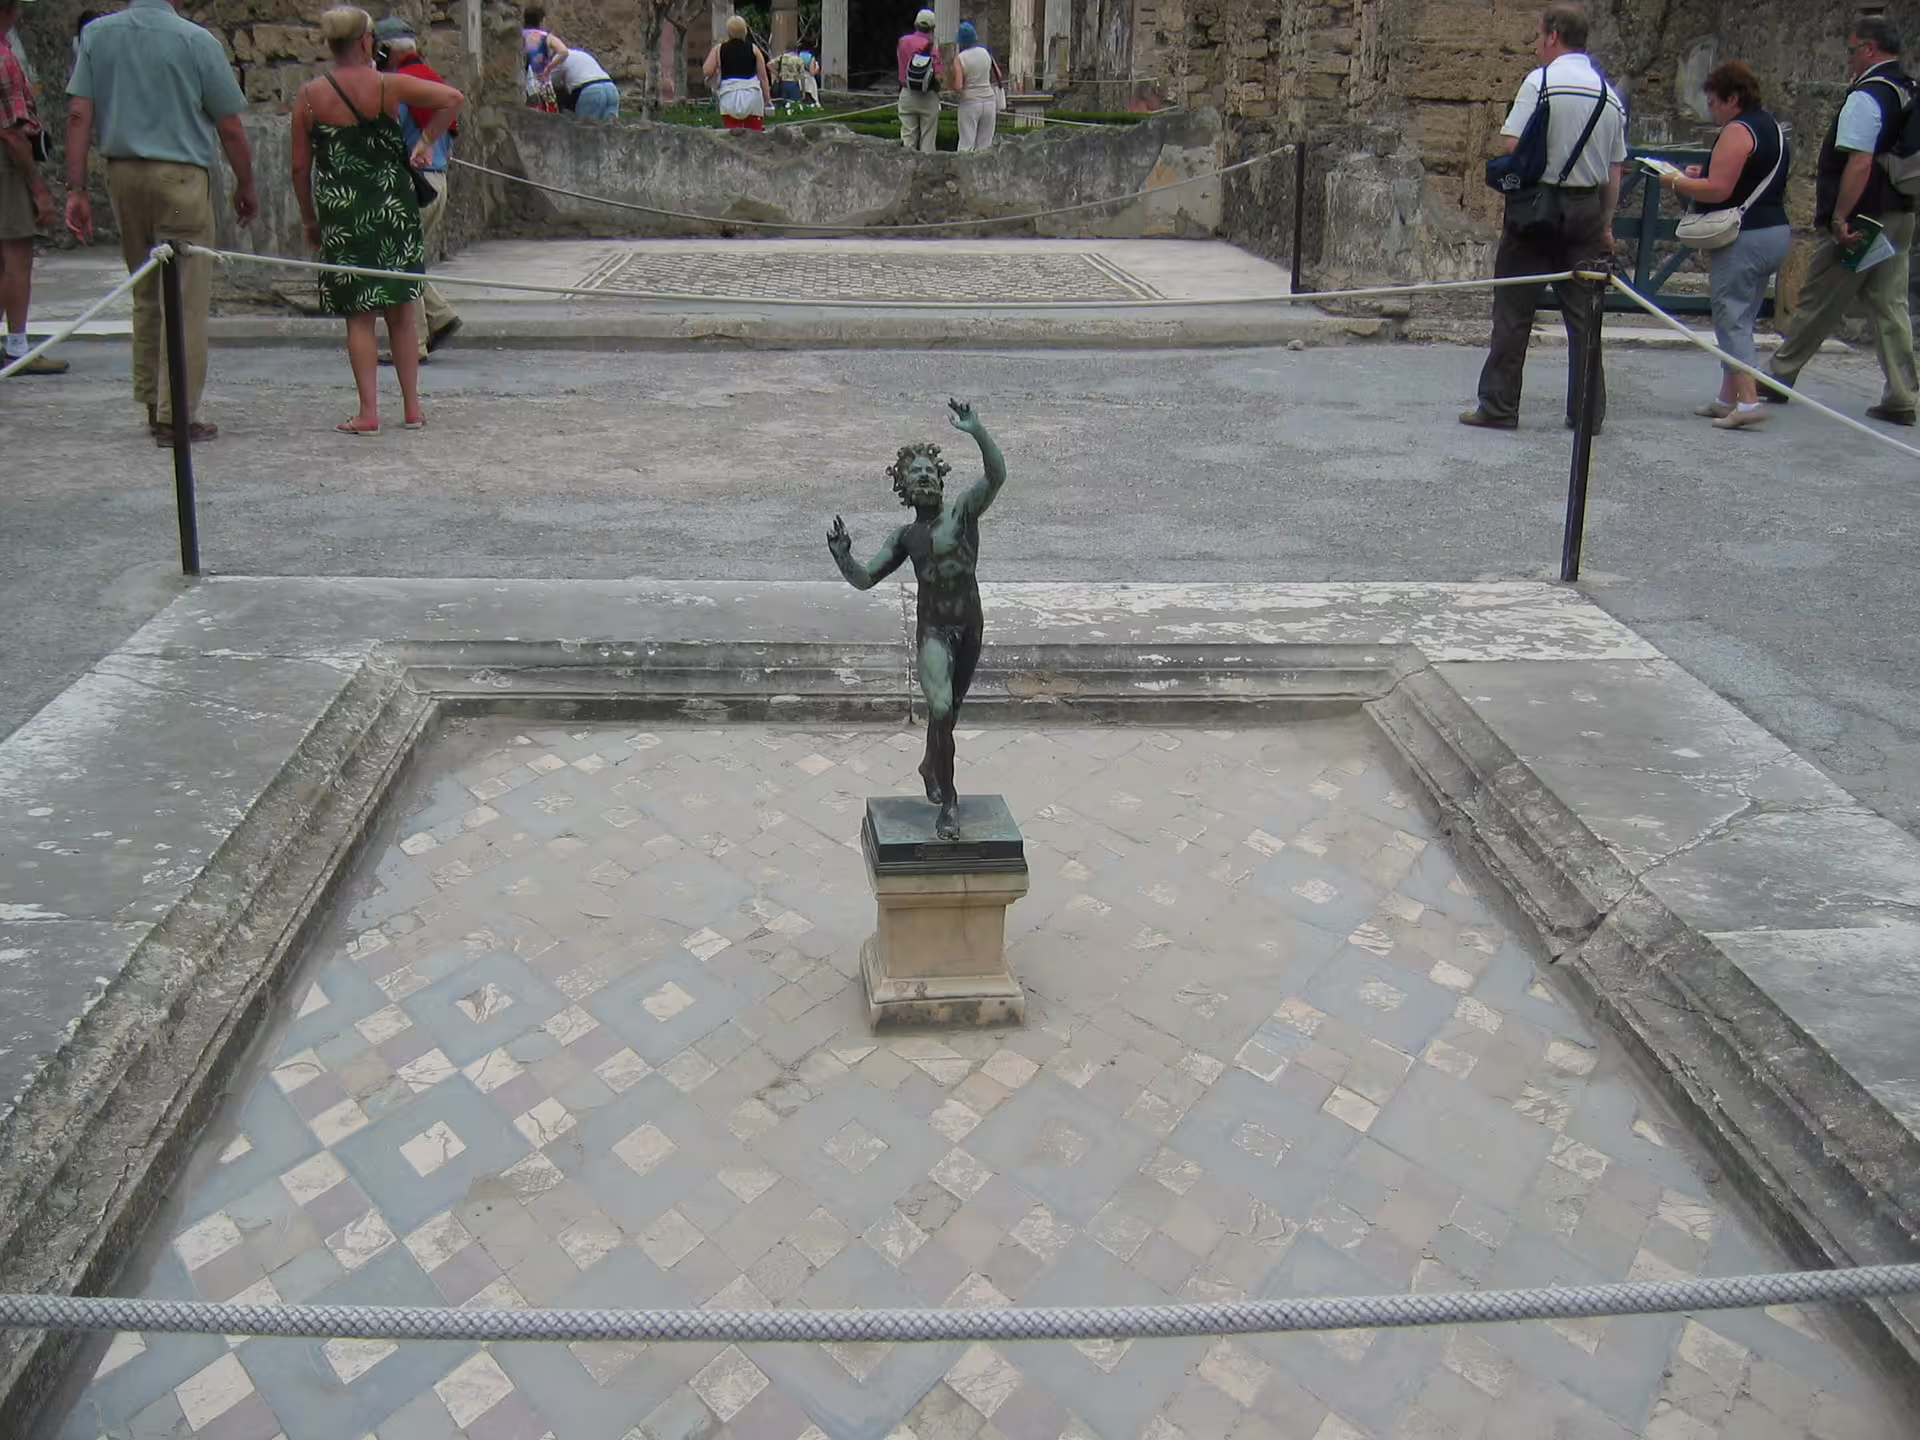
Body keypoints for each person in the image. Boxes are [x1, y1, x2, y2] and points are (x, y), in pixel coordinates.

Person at [66, 0, 258, 443]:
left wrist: (75, 188)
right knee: (186, 299)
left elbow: (79, 113)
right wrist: (245, 183)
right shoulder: (196, 40)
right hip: (180, 175)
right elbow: (229, 125)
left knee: (146, 291)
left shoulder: (98, 35)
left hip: (123, 174)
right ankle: (177, 413)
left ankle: (154, 401)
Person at [829, 400, 1006, 839]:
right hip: (934, 632)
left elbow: (997, 476)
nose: (924, 476)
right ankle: (949, 802)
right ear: (904, 489)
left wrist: (977, 431)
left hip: (970, 626)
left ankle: (930, 763)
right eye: (915, 474)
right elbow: (866, 579)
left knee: (951, 712)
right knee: (941, 708)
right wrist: (843, 556)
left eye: (929, 470)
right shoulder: (906, 537)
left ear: (942, 478)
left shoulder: (963, 513)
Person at [293, 6, 461, 435]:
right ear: (367, 41)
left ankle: (368, 411)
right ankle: (411, 408)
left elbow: (299, 167)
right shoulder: (387, 85)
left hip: (343, 212)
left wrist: (310, 219)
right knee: (402, 312)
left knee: (358, 316)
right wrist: (425, 142)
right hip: (392, 206)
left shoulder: (310, 96)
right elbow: (451, 99)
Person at [1459, 4, 1626, 433]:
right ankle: (1587, 412)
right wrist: (1606, 224)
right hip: (1585, 211)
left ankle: (1499, 406)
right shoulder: (1609, 95)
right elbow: (1614, 170)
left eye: (1537, 35)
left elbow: (1514, 143)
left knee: (1513, 311)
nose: (1535, 44)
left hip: (1536, 208)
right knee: (1584, 318)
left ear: (1553, 35)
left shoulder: (1541, 82)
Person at [1763, 16, 1918, 426]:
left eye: (1851, 50)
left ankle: (1778, 374)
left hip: (1863, 220)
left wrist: (1840, 216)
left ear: (1869, 49)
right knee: (1889, 303)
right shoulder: (1908, 90)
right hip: (1901, 211)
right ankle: (1902, 393)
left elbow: (1860, 160)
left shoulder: (1869, 95)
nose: (1848, 59)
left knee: (1821, 293)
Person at [1666, 61, 1791, 430]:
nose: (1712, 110)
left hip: (1744, 236)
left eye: (1714, 102)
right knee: (1743, 316)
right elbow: (1741, 179)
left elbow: (1719, 189)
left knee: (1730, 317)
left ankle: (1749, 402)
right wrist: (1697, 178)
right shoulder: (1771, 127)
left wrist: (1676, 181)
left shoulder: (1738, 130)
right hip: (1774, 230)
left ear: (1732, 98)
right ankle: (1728, 397)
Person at [373, 17, 461, 365]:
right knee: (407, 258)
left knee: (399, 261)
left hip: (415, 183)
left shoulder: (400, 85)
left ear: (386, 50)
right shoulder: (431, 81)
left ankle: (415, 343)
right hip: (437, 180)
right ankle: (439, 316)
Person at [0, 0, 62, 376]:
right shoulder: (4, 58)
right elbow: (13, 134)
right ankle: (18, 347)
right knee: (17, 259)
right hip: (7, 166)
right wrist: (39, 190)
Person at [704, 15, 768, 132]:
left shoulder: (719, 49)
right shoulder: (754, 49)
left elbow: (707, 70)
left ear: (728, 31)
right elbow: (763, 78)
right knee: (755, 136)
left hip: (729, 95)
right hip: (752, 95)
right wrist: (768, 100)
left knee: (731, 135)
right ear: (745, 30)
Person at [897, 9, 941, 154]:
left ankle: (905, 172)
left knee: (907, 139)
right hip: (927, 95)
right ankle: (925, 174)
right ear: (933, 28)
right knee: (928, 141)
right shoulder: (931, 47)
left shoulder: (902, 42)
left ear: (915, 24)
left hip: (907, 92)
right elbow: (939, 75)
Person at [954, 21, 1001, 152]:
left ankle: (963, 172)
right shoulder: (986, 52)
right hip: (989, 100)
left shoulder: (960, 58)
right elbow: (999, 75)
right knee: (985, 145)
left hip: (970, 102)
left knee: (966, 144)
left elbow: (958, 86)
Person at [547, 39, 619, 119]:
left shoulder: (559, 57)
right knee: (610, 129)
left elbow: (551, 84)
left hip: (591, 91)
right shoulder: (580, 54)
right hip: (611, 88)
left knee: (586, 128)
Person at [521, 5, 559, 110]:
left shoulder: (521, 35)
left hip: (525, 83)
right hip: (543, 82)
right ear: (541, 21)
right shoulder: (545, 36)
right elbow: (562, 51)